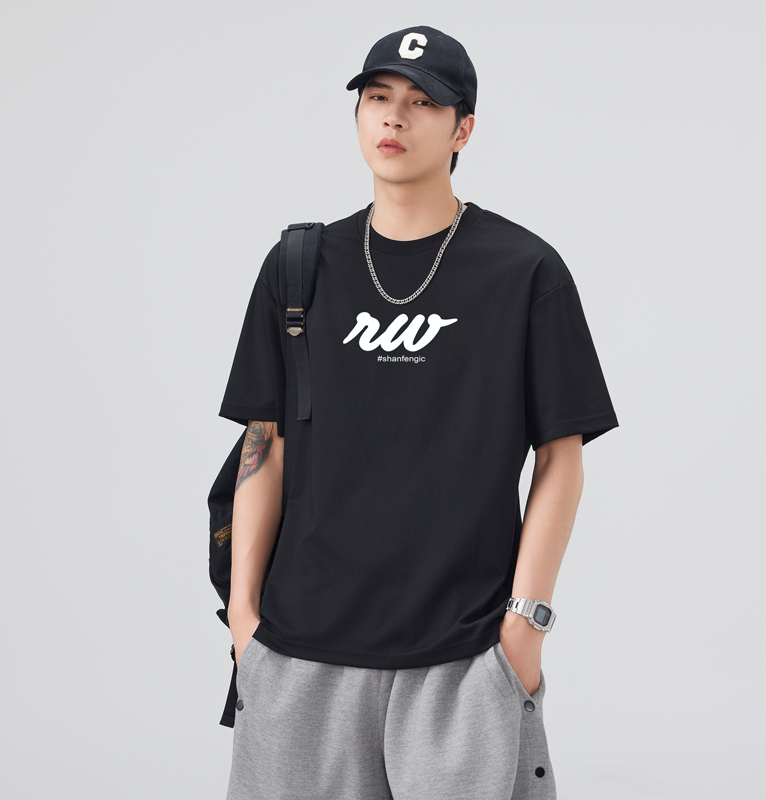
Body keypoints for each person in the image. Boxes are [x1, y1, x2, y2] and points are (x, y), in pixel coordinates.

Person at [218, 25, 619, 800]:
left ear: (463, 129)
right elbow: (262, 446)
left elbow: (561, 458)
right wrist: (244, 625)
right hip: (300, 653)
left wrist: (524, 627)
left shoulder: (523, 271)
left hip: (464, 657)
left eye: (422, 102)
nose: (393, 117)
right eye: (378, 98)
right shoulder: (299, 267)